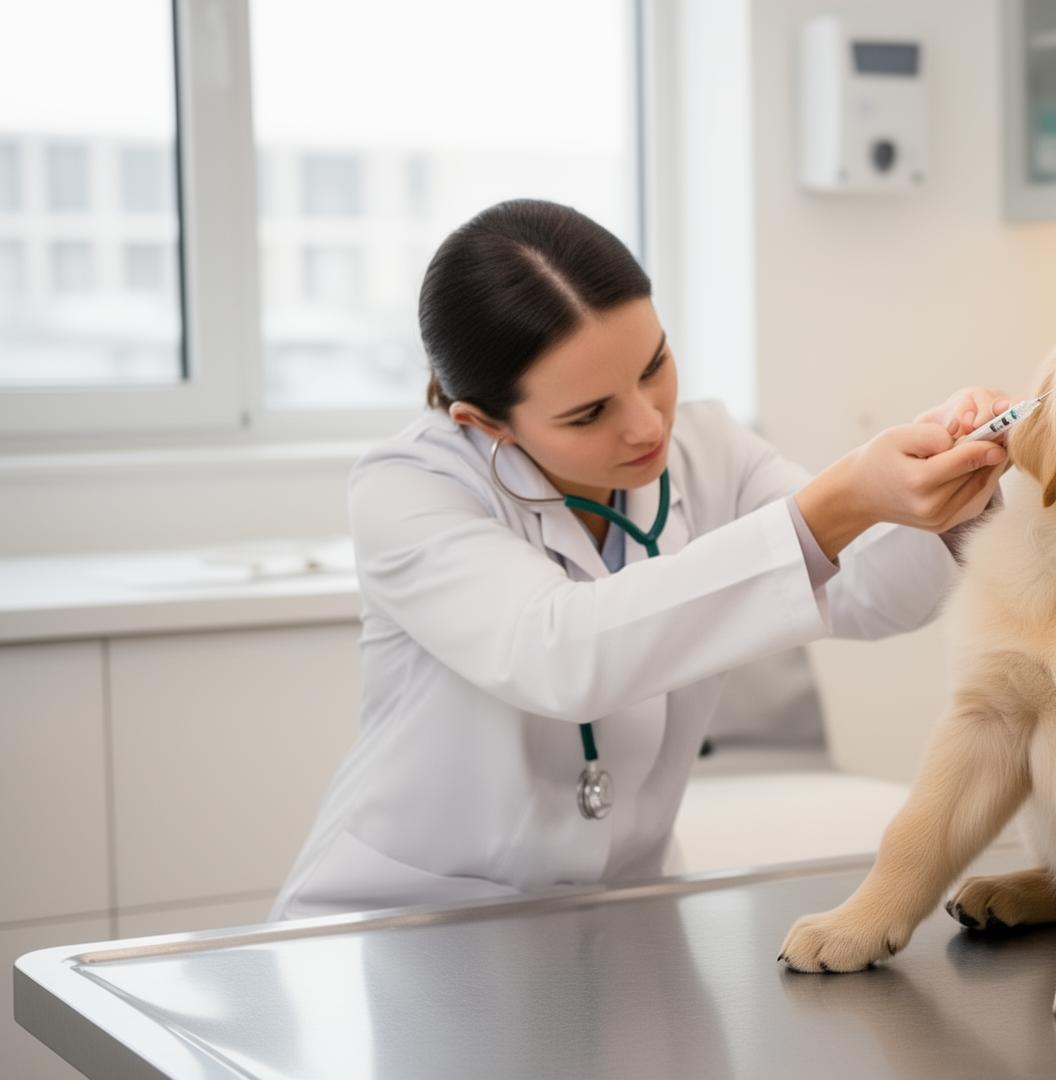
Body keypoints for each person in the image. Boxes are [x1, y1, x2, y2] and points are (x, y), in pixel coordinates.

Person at [272, 199, 1010, 918]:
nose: (647, 424)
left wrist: (952, 489)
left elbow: (869, 593)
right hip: (414, 917)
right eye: (588, 412)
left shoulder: (708, 451)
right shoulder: (410, 487)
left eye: (654, 365)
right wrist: (842, 496)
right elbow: (560, 653)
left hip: (619, 911)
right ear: (483, 420)